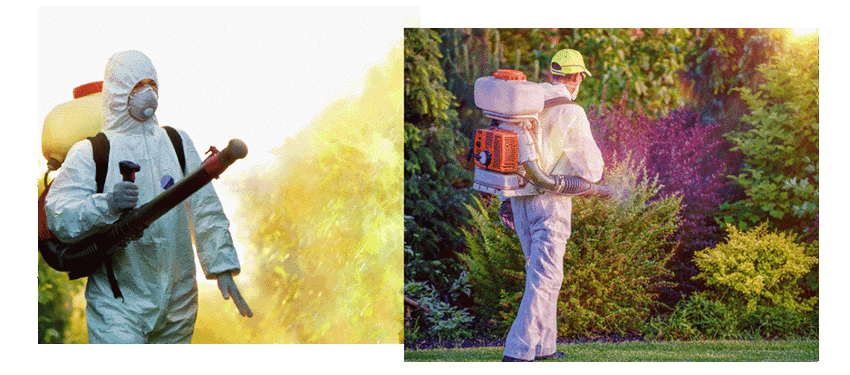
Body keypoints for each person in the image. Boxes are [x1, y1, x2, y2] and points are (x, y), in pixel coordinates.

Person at [45, 50, 252, 344]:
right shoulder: (90, 152)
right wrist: (108, 204)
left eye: (151, 84)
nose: (148, 93)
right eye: (137, 85)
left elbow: (204, 208)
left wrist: (222, 267)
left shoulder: (176, 142)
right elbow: (59, 217)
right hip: (118, 304)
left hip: (179, 304)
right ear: (118, 92)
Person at [500, 49, 604, 361]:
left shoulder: (526, 105)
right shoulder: (571, 112)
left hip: (519, 198)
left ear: (552, 74)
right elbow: (590, 169)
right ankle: (518, 351)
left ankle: (545, 347)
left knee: (541, 273)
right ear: (577, 78)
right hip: (551, 200)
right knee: (546, 276)